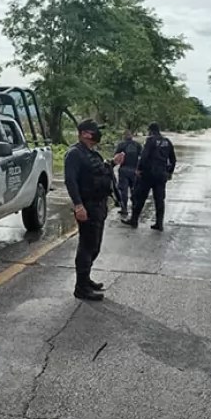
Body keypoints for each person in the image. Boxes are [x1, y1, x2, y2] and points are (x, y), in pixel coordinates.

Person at [64, 119, 124, 301]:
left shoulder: (91, 153)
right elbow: (70, 181)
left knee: (94, 247)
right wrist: (78, 205)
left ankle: (85, 279)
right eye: (94, 131)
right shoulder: (74, 154)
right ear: (84, 133)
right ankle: (80, 288)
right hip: (87, 205)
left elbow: (99, 171)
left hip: (99, 205)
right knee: (87, 246)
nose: (97, 134)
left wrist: (113, 163)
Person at [123, 122, 176, 230]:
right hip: (161, 174)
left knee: (140, 197)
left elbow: (144, 156)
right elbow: (173, 159)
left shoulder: (150, 140)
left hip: (148, 174)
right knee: (160, 199)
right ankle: (159, 224)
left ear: (150, 131)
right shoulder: (167, 141)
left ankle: (134, 220)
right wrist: (170, 172)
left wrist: (138, 169)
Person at [113, 129, 142, 218]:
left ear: (124, 136)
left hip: (124, 170)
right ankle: (135, 208)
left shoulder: (121, 145)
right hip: (134, 170)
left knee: (123, 191)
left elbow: (116, 158)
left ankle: (124, 209)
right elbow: (142, 157)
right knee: (134, 190)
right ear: (132, 135)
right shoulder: (137, 145)